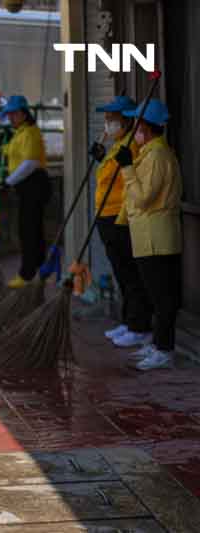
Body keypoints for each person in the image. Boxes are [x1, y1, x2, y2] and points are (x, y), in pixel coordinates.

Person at [115, 99, 183, 371]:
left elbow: (143, 198)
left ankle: (165, 349)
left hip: (157, 237)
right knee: (156, 295)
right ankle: (158, 344)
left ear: (146, 127)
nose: (135, 130)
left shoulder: (157, 156)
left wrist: (127, 168)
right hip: (148, 236)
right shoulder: (149, 152)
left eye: (138, 125)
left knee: (163, 297)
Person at [90, 96, 153, 349]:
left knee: (130, 273)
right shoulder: (117, 145)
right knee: (121, 271)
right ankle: (129, 322)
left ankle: (140, 326)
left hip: (120, 217)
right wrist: (101, 157)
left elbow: (129, 179)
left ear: (126, 121)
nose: (107, 124)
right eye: (106, 119)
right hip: (105, 214)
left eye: (112, 119)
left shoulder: (130, 146)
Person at [0, 95, 51, 288]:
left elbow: (30, 163)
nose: (10, 118)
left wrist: (8, 182)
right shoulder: (20, 133)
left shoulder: (31, 133)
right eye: (8, 115)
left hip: (34, 185)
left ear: (23, 113)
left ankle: (27, 274)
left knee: (29, 231)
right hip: (25, 187)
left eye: (12, 114)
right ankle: (39, 268)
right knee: (31, 229)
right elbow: (16, 153)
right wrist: (6, 149)